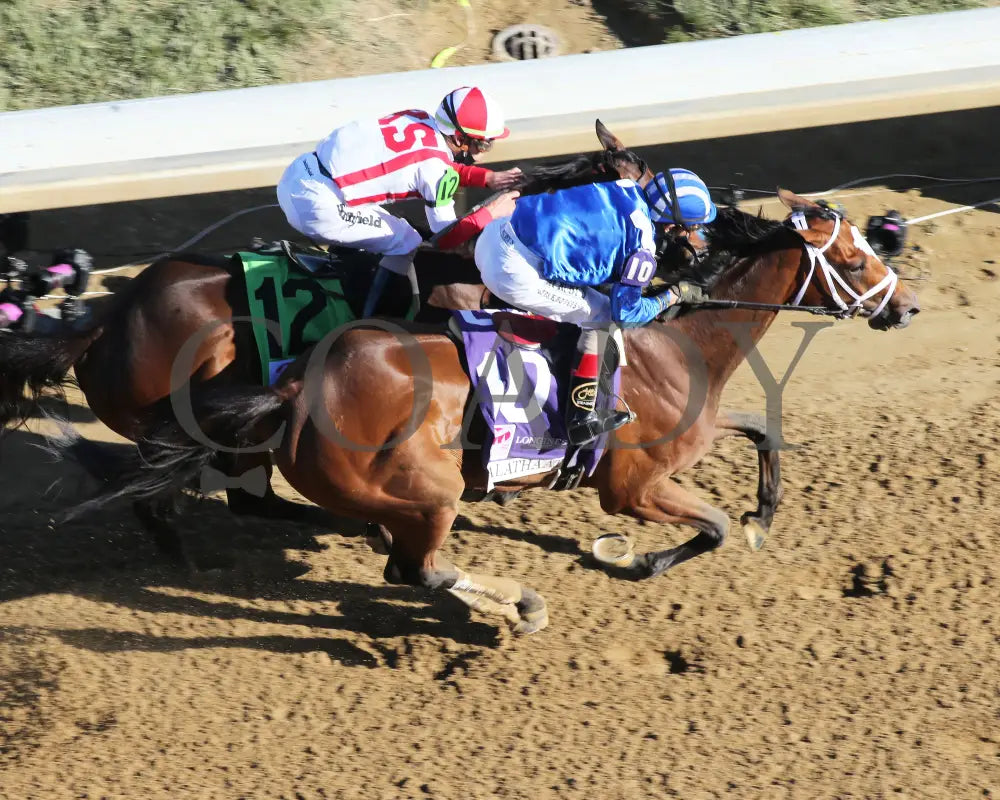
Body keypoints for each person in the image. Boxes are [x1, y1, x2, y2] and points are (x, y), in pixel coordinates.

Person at [474, 168, 717, 446]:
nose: (694, 233)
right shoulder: (643, 251)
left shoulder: (625, 186)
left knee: (593, 295)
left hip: (493, 235)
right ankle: (581, 417)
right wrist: (672, 295)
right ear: (671, 226)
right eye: (692, 227)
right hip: (510, 270)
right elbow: (626, 314)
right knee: (603, 314)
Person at [276, 86, 522, 317]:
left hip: (298, 172)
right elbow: (445, 237)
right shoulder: (435, 170)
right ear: (459, 139)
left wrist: (486, 177)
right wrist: (491, 212)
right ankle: (371, 323)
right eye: (483, 144)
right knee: (407, 240)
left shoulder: (419, 116)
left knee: (390, 227)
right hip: (318, 204)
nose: (482, 153)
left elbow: (433, 163)